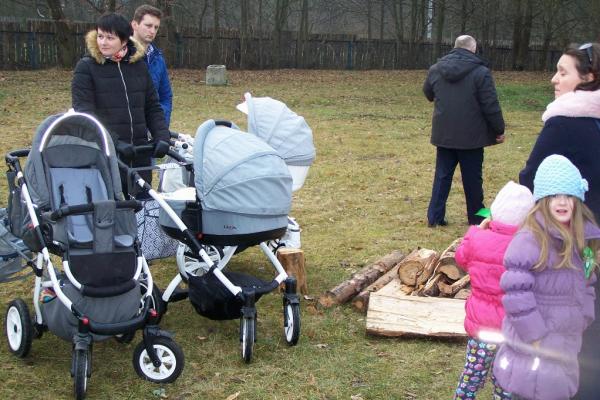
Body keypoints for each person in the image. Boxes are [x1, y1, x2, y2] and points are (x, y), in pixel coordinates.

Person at [517, 43, 600, 399]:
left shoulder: (565, 122)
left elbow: (530, 178)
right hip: (593, 245)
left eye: (563, 72)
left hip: (569, 245)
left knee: (567, 323)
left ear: (589, 78)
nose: (554, 78)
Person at [493, 155, 600, 400]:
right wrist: (535, 334)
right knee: (534, 389)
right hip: (536, 341)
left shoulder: (584, 240)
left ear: (577, 199)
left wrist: (584, 315)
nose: (561, 202)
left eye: (567, 195)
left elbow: (588, 280)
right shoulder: (531, 238)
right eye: (553, 196)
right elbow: (515, 290)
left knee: (559, 388)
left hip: (566, 338)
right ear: (542, 200)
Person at [71, 12, 171, 195]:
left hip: (139, 152)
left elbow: (152, 106)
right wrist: (114, 143)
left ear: (124, 40)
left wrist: (162, 136)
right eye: (100, 36)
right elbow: (85, 114)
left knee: (142, 207)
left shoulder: (138, 66)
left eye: (110, 38)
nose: (103, 42)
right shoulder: (86, 68)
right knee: (113, 209)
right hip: (106, 155)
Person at [453, 181, 534, 400]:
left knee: (471, 377)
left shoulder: (477, 238)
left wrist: (476, 232)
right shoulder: (530, 246)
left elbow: (461, 259)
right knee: (506, 382)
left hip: (481, 329)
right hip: (511, 331)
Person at [423, 34, 505, 227]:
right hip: (472, 137)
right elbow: (490, 104)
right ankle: (477, 218)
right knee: (473, 180)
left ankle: (434, 217)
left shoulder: (436, 69)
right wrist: (499, 129)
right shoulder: (481, 72)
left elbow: (428, 93)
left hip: (444, 134)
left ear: (455, 47)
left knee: (442, 176)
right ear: (473, 49)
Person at [131, 4, 173, 127]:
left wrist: (160, 125)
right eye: (148, 26)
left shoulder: (158, 58)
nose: (152, 31)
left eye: (156, 27)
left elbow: (165, 96)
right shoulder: (121, 55)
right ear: (135, 24)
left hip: (154, 128)